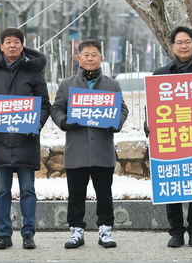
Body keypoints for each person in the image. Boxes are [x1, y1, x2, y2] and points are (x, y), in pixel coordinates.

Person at [0, 28, 51, 250]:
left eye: (16, 42)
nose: (12, 46)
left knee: (28, 190)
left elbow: (45, 104)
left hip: (26, 140)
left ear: (22, 46)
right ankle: (4, 235)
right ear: (1, 46)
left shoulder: (34, 73)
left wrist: (36, 124)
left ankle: (28, 233)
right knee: (1, 191)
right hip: (0, 141)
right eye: (8, 42)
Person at [51, 39, 128, 249]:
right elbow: (56, 109)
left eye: (94, 54)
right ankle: (76, 231)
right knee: (76, 193)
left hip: (102, 149)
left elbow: (122, 109)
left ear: (101, 58)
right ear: (79, 58)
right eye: (86, 54)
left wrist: (116, 123)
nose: (90, 58)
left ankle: (105, 230)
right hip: (77, 150)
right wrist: (65, 122)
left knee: (104, 193)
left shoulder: (112, 85)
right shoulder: (67, 85)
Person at [149, 26, 192, 248]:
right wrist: (150, 126)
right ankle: (176, 232)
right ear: (172, 46)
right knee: (172, 185)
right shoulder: (160, 75)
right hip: (170, 138)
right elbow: (152, 108)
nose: (183, 46)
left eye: (187, 42)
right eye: (179, 42)